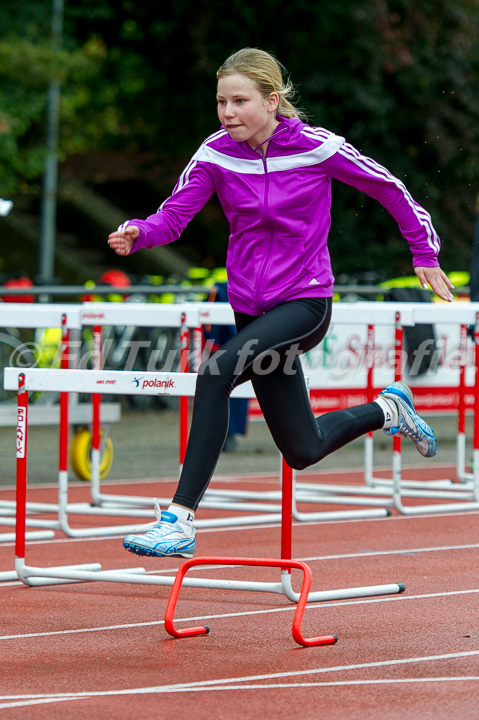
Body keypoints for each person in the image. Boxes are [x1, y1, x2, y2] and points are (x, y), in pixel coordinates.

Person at [108, 47, 454, 559]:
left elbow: (391, 189)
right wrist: (141, 233)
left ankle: (178, 518)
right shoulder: (215, 153)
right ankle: (388, 409)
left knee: (214, 372)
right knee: (303, 447)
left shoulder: (317, 148)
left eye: (239, 101)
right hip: (250, 307)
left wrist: (423, 251)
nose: (227, 113)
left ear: (272, 101)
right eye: (221, 102)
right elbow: (174, 216)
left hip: (304, 302)